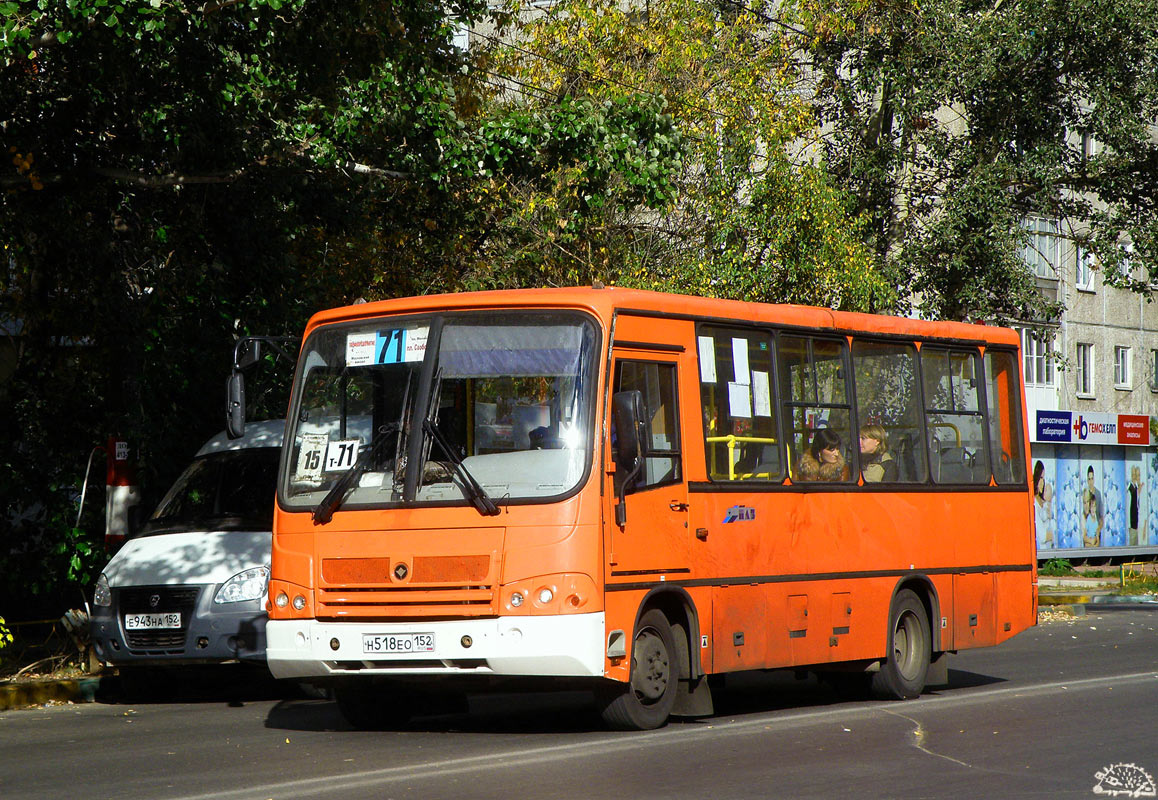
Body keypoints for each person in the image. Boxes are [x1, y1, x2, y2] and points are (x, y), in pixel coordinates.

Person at [1032, 460, 1054, 548]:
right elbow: (1042, 536)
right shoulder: (1034, 503)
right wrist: (1053, 535)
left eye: (1043, 478)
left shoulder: (1043, 503)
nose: (1042, 482)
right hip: (1041, 549)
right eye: (1041, 478)